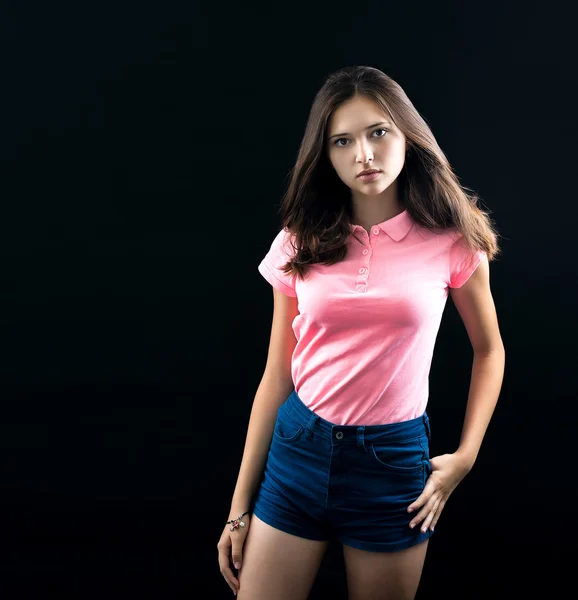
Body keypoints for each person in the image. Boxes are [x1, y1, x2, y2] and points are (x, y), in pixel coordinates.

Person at [217, 65, 505, 599]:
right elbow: (277, 372)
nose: (363, 155)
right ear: (325, 155)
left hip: (392, 462)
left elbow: (489, 350)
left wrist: (464, 458)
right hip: (298, 448)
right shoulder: (299, 241)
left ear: (407, 135)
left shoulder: (452, 240)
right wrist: (238, 510)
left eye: (378, 133)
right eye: (342, 141)